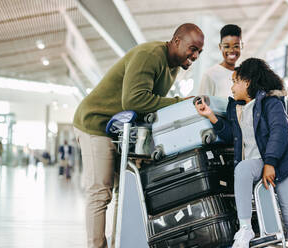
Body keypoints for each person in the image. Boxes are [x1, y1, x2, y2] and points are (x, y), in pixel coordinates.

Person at [73, 23, 204, 248]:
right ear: (176, 41)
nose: (195, 55)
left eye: (199, 52)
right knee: (100, 193)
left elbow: (147, 106)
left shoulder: (172, 67)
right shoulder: (150, 55)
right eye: (192, 48)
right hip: (96, 123)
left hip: (119, 130)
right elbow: (134, 101)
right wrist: (179, 103)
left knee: (122, 193)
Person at [194, 58, 288, 248]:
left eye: (235, 82)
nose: (232, 88)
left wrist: (270, 163)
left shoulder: (271, 102)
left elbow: (279, 131)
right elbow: (232, 135)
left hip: (285, 164)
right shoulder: (236, 108)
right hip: (258, 162)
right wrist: (211, 116)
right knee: (243, 169)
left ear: (247, 82)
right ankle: (245, 228)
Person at [199, 24, 242, 98]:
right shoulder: (210, 75)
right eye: (226, 46)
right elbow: (202, 105)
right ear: (220, 47)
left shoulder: (243, 75)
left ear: (241, 46)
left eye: (236, 46)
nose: (231, 50)